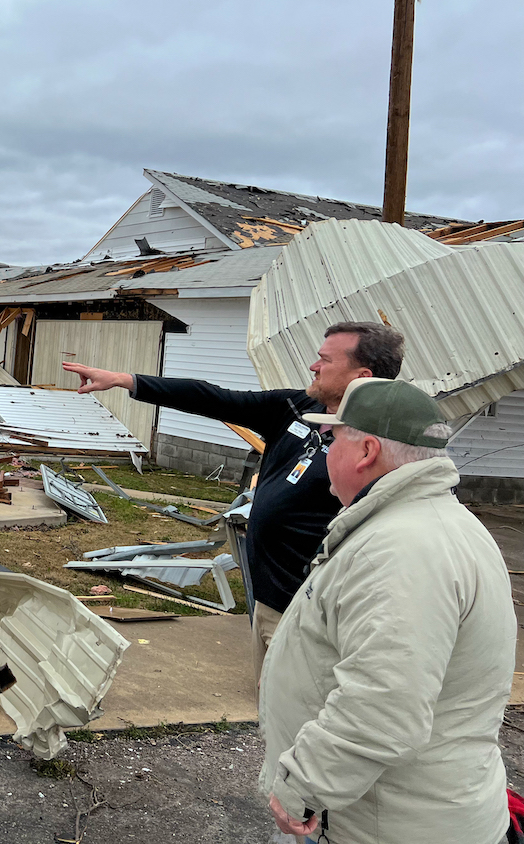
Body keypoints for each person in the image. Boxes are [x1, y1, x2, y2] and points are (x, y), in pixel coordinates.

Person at [62, 321, 404, 688]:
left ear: (362, 375)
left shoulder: (382, 444)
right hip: (268, 600)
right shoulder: (297, 408)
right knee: (273, 714)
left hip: (313, 611)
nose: (313, 366)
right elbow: (212, 397)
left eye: (325, 360)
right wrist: (125, 380)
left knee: (304, 716)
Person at [260, 377, 515, 843]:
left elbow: (382, 705)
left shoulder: (401, 549)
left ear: (366, 452)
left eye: (331, 439)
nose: (325, 454)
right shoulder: (430, 524)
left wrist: (302, 787)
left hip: (383, 826)